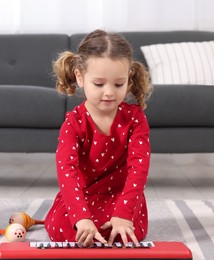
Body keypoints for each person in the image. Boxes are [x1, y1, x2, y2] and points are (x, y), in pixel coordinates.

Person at [44, 29, 152, 246]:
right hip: (81, 197)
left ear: (128, 79)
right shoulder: (73, 123)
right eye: (99, 84)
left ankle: (116, 220)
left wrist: (123, 212)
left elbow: (138, 170)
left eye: (118, 84)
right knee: (63, 227)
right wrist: (81, 218)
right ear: (80, 78)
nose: (109, 92)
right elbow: (67, 171)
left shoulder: (135, 118)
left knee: (125, 232)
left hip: (119, 197)